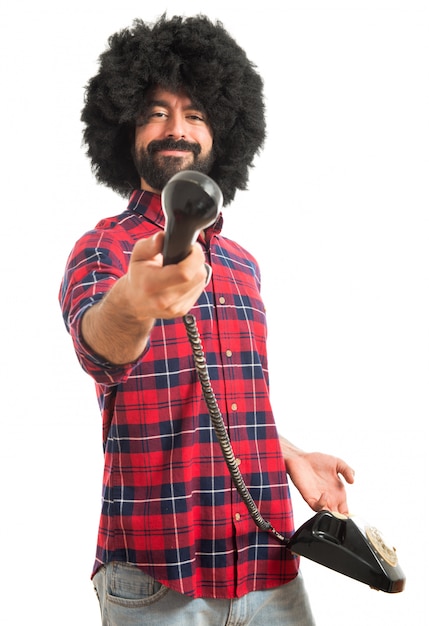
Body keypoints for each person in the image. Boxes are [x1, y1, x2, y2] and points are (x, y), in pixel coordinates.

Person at [59, 14, 355, 625]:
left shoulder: (243, 266)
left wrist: (287, 451)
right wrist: (137, 300)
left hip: (269, 568)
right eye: (157, 111)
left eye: (195, 113)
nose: (177, 129)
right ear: (124, 130)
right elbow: (99, 346)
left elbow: (217, 402)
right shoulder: (104, 251)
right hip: (158, 579)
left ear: (223, 131)